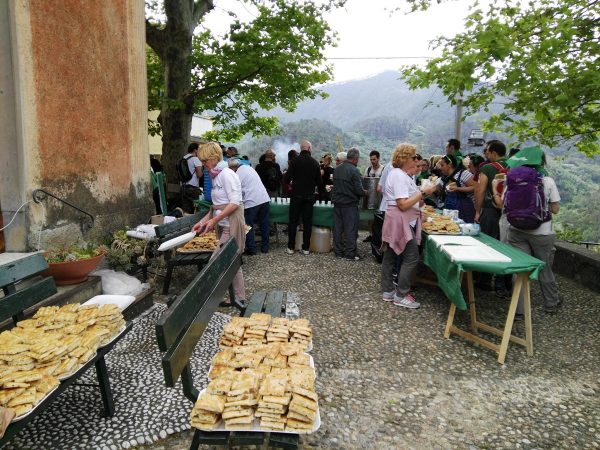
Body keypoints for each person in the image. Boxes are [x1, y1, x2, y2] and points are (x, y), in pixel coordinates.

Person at [504, 146, 562, 315]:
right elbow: (556, 209)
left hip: (516, 229)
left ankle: (519, 310)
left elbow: (504, 203)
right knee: (544, 268)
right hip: (542, 232)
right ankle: (551, 304)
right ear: (541, 161)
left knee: (520, 270)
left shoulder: (512, 178)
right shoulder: (547, 180)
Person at [192, 142, 245, 307]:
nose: (203, 165)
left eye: (205, 161)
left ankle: (206, 298)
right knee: (232, 260)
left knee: (216, 261)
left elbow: (235, 202)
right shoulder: (216, 174)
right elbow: (216, 205)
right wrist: (202, 222)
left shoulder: (226, 174)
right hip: (223, 223)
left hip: (231, 224)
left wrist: (214, 220)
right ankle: (238, 296)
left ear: (214, 158)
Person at [381, 143, 424, 309]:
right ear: (405, 158)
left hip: (396, 219)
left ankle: (388, 291)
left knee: (390, 254)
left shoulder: (399, 174)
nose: (415, 160)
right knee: (411, 256)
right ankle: (401, 295)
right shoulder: (398, 175)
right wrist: (423, 192)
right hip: (400, 220)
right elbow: (403, 204)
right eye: (414, 157)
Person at [474, 139, 509, 293]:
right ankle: (504, 284)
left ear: (494, 152)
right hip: (509, 213)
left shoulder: (488, 168)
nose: (486, 154)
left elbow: (480, 191)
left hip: (490, 210)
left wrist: (477, 211)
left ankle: (485, 280)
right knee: (505, 246)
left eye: (487, 152)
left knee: (487, 245)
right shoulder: (514, 165)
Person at [283, 140, 321, 255]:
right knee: (307, 222)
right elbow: (319, 182)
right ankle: (305, 248)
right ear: (309, 148)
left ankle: (290, 247)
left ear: (301, 149)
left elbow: (286, 179)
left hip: (296, 196)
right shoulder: (315, 163)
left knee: (293, 221)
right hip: (309, 196)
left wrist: (294, 183)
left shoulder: (294, 161)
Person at [228, 159, 271, 255]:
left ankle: (252, 249)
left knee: (247, 225)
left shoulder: (237, 174)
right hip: (264, 198)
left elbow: (235, 190)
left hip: (251, 202)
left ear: (232, 168)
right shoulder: (249, 168)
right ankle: (265, 247)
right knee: (264, 224)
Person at [332, 148, 365, 260]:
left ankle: (338, 252)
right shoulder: (354, 170)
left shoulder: (337, 169)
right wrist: (366, 192)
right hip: (350, 205)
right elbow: (359, 190)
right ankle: (350, 254)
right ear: (356, 159)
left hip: (337, 204)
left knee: (338, 228)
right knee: (350, 229)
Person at [422, 154, 476, 222]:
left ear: (449, 164)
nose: (440, 168)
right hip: (451, 209)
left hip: (465, 209)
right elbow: (437, 187)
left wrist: (458, 188)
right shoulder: (444, 177)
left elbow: (475, 187)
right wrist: (424, 193)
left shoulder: (463, 173)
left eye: (442, 165)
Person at [181, 143, 203, 213]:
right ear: (195, 150)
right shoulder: (195, 159)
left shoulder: (184, 158)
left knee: (186, 210)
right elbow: (199, 175)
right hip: (193, 188)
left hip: (183, 187)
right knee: (196, 209)